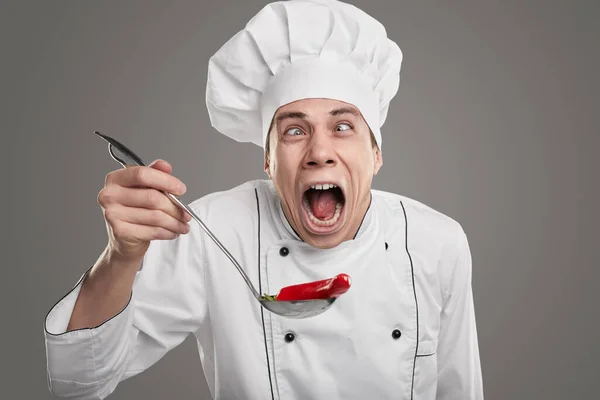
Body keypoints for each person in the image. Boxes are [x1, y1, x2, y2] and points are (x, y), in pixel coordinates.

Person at [43, 0, 484, 399]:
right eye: (295, 130)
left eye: (343, 126)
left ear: (376, 154)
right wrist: (121, 257)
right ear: (269, 162)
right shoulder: (213, 231)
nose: (319, 152)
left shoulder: (437, 242)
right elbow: (78, 382)